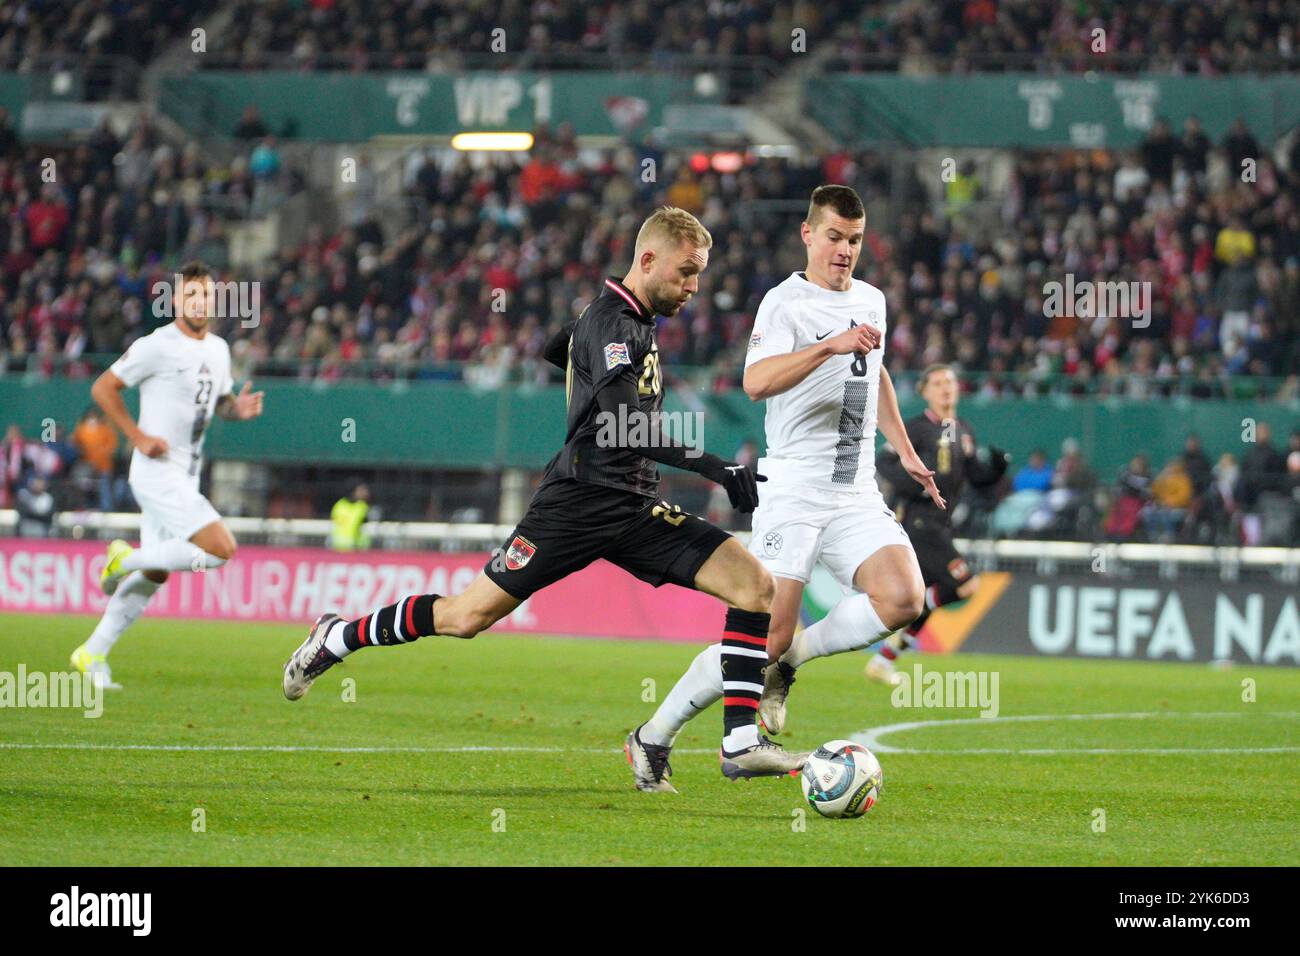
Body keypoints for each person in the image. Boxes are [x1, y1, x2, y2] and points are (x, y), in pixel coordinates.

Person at [282, 207, 807, 789]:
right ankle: (336, 637)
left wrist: (582, 369)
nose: (693, 288)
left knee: (754, 586)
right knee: (465, 617)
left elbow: (559, 349)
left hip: (633, 508)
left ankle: (735, 742)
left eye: (699, 275)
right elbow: (622, 423)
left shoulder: (618, 320)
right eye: (686, 272)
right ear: (648, 259)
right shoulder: (613, 322)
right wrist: (716, 467)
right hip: (576, 504)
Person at [635, 185, 944, 746]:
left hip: (854, 489)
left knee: (904, 598)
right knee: (767, 635)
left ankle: (790, 664)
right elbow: (755, 383)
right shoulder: (783, 304)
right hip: (794, 489)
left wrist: (903, 447)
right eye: (833, 237)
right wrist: (829, 345)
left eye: (854, 240)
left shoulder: (872, 299)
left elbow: (874, 372)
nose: (844, 250)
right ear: (808, 235)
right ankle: (654, 734)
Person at [70, 261, 265, 689]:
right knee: (220, 548)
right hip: (157, 473)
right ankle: (125, 558)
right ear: (176, 301)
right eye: (191, 295)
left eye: (206, 295)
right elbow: (103, 387)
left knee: (157, 573)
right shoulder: (156, 345)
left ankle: (92, 652)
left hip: (187, 476)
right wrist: (137, 436)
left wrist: (238, 410)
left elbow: (220, 404)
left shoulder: (218, 350)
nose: (199, 302)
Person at [866, 364, 1008, 685]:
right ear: (925, 391)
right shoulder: (916, 428)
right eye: (938, 382)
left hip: (941, 525)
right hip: (917, 522)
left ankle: (883, 661)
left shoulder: (963, 430)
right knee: (965, 584)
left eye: (950, 382)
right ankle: (880, 642)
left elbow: (975, 476)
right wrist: (917, 485)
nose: (946, 387)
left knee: (924, 599)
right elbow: (884, 461)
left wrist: (996, 469)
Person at [329, 483, 371, 551]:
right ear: (354, 491)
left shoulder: (340, 504)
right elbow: (333, 522)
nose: (366, 493)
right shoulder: (362, 507)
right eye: (361, 490)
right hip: (339, 545)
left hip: (355, 546)